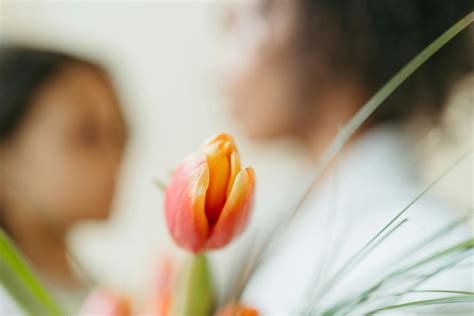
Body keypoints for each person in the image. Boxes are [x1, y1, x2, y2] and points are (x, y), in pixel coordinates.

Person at [221, 0, 473, 314]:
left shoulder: (429, 269)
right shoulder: (286, 225)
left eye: (235, 24)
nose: (219, 71)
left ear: (330, 26)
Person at [0, 46, 127, 312]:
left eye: (120, 135)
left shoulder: (114, 295)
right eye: (87, 136)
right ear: (5, 155)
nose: (115, 158)